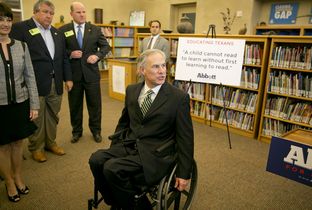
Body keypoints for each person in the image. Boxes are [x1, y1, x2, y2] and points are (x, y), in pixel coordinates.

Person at [89, 49, 194, 210]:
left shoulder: (178, 98)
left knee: (112, 168)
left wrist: (184, 173)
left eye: (163, 66)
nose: (162, 71)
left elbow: (185, 138)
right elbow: (124, 122)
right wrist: (115, 147)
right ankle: (117, 200)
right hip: (130, 144)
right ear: (142, 70)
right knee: (96, 159)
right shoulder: (132, 90)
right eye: (155, 67)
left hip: (155, 153)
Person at [10, 0, 73, 162]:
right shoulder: (21, 29)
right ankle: (36, 148)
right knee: (36, 117)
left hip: (55, 82)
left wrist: (68, 78)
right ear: (35, 12)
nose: (49, 16)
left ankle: (50, 143)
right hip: (34, 83)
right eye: (45, 12)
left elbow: (63, 58)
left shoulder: (57, 33)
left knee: (53, 115)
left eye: (51, 13)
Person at [0, 2, 39, 202]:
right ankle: (8, 181)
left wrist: (34, 105)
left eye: (8, 19)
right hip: (0, 106)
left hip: (20, 102)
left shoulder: (21, 46)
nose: (5, 24)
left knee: (18, 144)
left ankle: (17, 176)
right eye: (1, 19)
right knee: (3, 146)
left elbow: (30, 76)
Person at [59, 2, 111, 143]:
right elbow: (60, 51)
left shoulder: (94, 29)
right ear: (71, 14)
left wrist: (97, 56)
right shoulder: (64, 30)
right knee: (75, 106)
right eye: (78, 12)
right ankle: (76, 131)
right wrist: (70, 54)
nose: (82, 14)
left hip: (91, 75)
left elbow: (106, 47)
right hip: (73, 76)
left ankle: (96, 131)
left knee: (95, 105)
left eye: (83, 12)